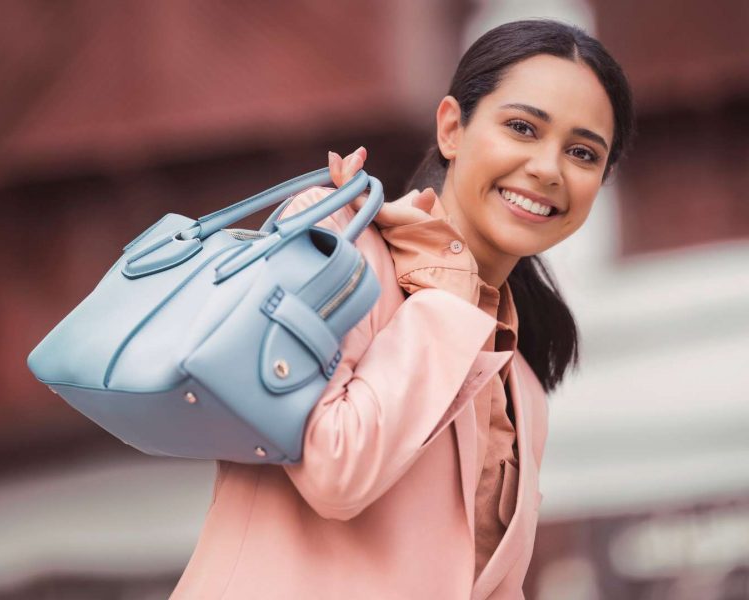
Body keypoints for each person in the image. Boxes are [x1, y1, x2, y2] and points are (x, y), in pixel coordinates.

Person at [171, 18, 635, 599]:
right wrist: (449, 288)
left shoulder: (523, 386)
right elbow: (337, 471)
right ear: (451, 129)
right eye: (521, 127)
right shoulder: (335, 243)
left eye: (582, 153)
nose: (547, 168)